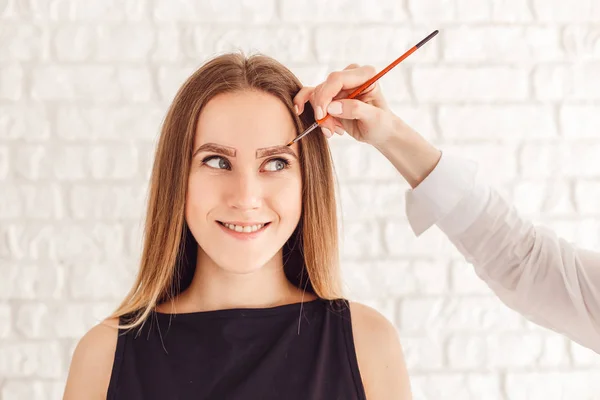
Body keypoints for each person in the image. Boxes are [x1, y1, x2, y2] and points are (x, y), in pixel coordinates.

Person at [63, 53, 412, 400]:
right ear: (177, 177)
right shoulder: (101, 357)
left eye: (276, 163)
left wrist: (393, 132)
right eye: (217, 161)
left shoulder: (369, 345)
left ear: (308, 181)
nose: (246, 198)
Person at [293, 63, 600, 355]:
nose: (247, 197)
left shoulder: (363, 342)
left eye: (276, 163)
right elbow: (522, 261)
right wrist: (390, 134)